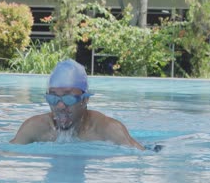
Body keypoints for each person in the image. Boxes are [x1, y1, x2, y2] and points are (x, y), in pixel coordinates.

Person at [10, 59, 145, 150]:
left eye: (68, 98)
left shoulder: (108, 130)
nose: (60, 106)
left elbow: (142, 157)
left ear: (85, 100)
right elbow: (6, 154)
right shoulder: (35, 128)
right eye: (53, 98)